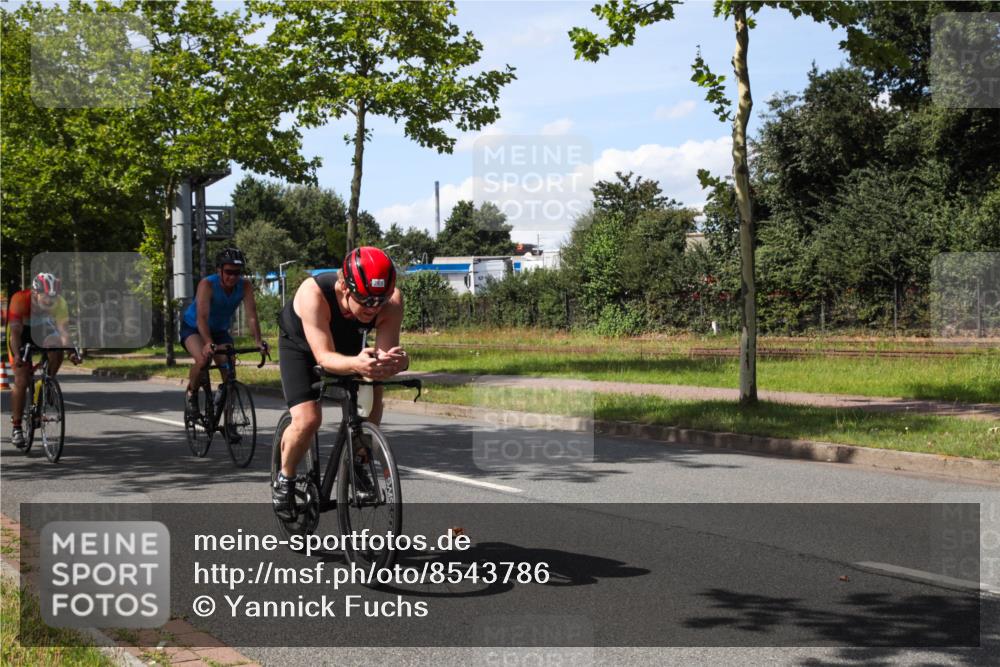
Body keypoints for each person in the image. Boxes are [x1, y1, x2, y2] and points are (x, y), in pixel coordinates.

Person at [273, 246, 408, 516]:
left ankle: (359, 462)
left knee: (372, 388)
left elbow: (382, 358)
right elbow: (323, 357)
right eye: (366, 300)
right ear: (345, 287)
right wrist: (355, 363)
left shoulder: (390, 301)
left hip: (347, 341)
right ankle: (285, 479)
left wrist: (397, 362)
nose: (373, 308)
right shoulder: (313, 294)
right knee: (308, 419)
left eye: (379, 301)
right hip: (301, 344)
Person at [181, 247, 267, 414]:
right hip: (194, 327)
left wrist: (258, 341)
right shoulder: (207, 284)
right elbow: (202, 318)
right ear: (219, 270)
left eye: (237, 273)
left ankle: (229, 423)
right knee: (203, 360)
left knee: (230, 372)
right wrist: (208, 343)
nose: (233, 277)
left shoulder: (245, 286)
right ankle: (191, 392)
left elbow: (251, 316)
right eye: (228, 272)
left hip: (219, 331)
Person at [7, 272, 80, 448]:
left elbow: (63, 332)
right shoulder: (19, 300)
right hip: (21, 335)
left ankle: (48, 383)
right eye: (46, 297)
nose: (50, 301)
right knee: (22, 378)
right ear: (34, 293)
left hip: (42, 330)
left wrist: (71, 352)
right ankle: (17, 426)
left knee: (57, 347)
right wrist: (17, 355)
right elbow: (15, 333)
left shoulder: (59, 303)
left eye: (53, 297)